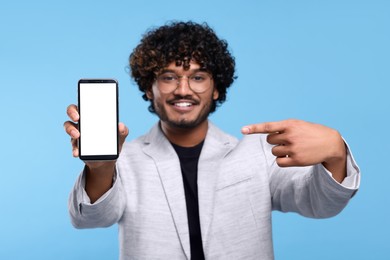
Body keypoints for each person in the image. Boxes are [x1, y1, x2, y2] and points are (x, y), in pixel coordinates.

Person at [64, 21, 360, 260]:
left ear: (216, 88)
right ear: (148, 89)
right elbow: (90, 219)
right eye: (168, 77)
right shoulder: (124, 159)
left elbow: (321, 204)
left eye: (198, 77)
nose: (183, 89)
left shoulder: (257, 153)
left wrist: (334, 153)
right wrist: (101, 167)